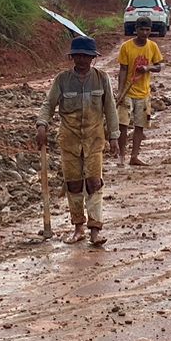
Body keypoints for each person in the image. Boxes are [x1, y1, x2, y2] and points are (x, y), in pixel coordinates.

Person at [35, 35, 119, 245]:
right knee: (73, 184)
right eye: (78, 56)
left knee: (93, 183)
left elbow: (110, 108)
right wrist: (41, 125)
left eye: (86, 56)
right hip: (69, 140)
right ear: (72, 57)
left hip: (94, 140)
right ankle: (78, 227)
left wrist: (114, 137)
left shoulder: (102, 79)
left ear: (93, 58)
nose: (82, 60)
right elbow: (48, 105)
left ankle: (95, 230)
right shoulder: (62, 80)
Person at [116, 17, 165, 166]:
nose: (144, 32)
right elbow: (123, 70)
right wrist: (120, 91)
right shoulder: (126, 47)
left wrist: (147, 68)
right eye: (141, 29)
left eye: (147, 30)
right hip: (128, 92)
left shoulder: (152, 46)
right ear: (136, 29)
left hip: (144, 93)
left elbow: (158, 66)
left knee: (140, 125)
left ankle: (134, 156)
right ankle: (121, 157)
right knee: (122, 125)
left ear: (150, 30)